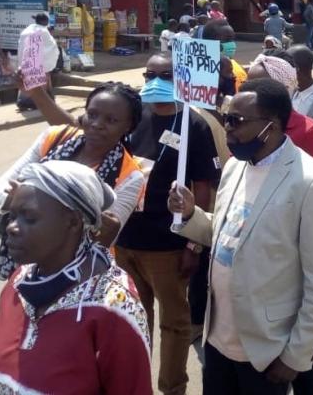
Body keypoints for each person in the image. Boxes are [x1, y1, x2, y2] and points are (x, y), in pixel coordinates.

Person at [168, 78, 313, 395]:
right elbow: (225, 233)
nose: (227, 128)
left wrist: (296, 356)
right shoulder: (236, 167)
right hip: (218, 338)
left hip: (265, 348)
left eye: (235, 121)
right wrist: (192, 215)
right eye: (225, 118)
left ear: (270, 127)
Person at [0, 160, 152, 394]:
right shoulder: (19, 281)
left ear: (72, 222)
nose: (11, 227)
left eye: (29, 217)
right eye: (13, 215)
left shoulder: (114, 307)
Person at [115, 53, 221, 395]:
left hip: (168, 246)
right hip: (126, 241)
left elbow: (204, 188)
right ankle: (135, 384)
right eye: (150, 74)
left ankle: (172, 387)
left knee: (173, 325)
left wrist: (193, 244)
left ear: (180, 80)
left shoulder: (195, 124)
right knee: (132, 320)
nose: (155, 80)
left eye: (165, 74)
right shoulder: (134, 117)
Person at [0, 82, 145, 274]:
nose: (97, 124)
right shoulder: (55, 138)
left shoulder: (130, 176)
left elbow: (103, 235)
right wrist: (11, 200)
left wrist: (29, 203)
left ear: (128, 127)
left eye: (111, 120)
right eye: (92, 114)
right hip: (28, 260)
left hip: (81, 272)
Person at [245, 53, 313, 173]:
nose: (249, 95)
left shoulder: (309, 131)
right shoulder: (242, 125)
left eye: (259, 89)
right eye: (246, 86)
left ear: (283, 89)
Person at [16, 13, 59, 111]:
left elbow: (21, 47)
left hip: (27, 62)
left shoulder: (26, 31)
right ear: (45, 22)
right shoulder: (43, 31)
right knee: (42, 81)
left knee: (27, 82)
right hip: (39, 64)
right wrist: (49, 64)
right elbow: (52, 48)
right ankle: (39, 102)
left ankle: (22, 102)